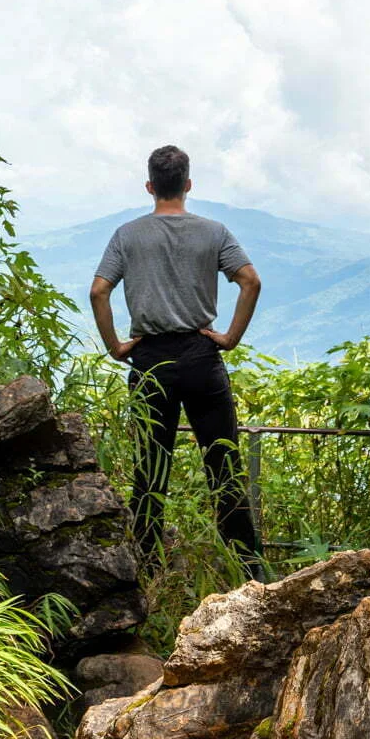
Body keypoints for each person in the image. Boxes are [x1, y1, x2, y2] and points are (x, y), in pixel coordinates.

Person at [89, 143, 264, 576]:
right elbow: (251, 282)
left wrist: (116, 346)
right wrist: (229, 339)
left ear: (150, 186)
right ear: (187, 185)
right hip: (202, 357)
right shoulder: (214, 232)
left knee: (150, 470)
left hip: (149, 359)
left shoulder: (127, 235)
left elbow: (99, 291)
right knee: (224, 466)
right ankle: (249, 570)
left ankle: (145, 569)